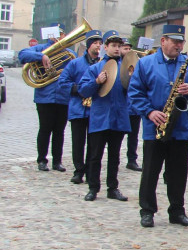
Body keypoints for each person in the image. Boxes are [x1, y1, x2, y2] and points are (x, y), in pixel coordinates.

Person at [127, 24, 188, 228]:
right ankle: (147, 210)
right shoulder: (145, 63)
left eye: (181, 42)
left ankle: (177, 211)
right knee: (150, 172)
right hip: (155, 126)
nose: (179, 46)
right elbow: (134, 93)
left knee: (178, 173)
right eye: (175, 42)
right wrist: (149, 111)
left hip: (181, 128)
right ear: (163, 41)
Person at [78, 30, 131, 202]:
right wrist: (96, 82)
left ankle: (112, 188)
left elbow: (134, 90)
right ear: (105, 47)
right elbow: (83, 90)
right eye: (113, 46)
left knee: (114, 156)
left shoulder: (126, 68)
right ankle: (93, 188)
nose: (117, 49)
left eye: (119, 46)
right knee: (95, 155)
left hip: (118, 117)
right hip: (100, 117)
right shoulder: (95, 68)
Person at [19, 25, 72, 172]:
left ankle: (57, 161)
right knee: (45, 129)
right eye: (56, 34)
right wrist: (41, 56)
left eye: (61, 34)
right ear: (50, 35)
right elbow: (22, 54)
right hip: (44, 97)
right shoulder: (40, 48)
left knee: (59, 131)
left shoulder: (68, 53)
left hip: (63, 97)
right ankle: (42, 160)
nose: (58, 37)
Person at [59, 30, 102, 184]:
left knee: (94, 144)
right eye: (95, 43)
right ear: (89, 45)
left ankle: (91, 171)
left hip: (96, 109)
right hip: (78, 108)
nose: (98, 46)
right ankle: (78, 171)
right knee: (78, 142)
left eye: (100, 43)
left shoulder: (104, 64)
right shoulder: (75, 63)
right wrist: (79, 89)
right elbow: (62, 83)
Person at [120, 40, 143, 172]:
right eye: (125, 48)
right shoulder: (115, 64)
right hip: (122, 107)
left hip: (133, 108)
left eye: (129, 48)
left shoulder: (136, 64)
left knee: (133, 136)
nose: (127, 51)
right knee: (118, 136)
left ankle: (132, 160)